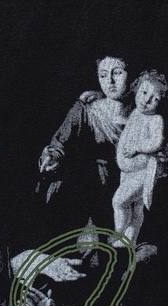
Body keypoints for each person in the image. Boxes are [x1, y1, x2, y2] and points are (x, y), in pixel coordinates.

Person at [37, 56, 131, 232]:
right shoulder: (86, 109)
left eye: (117, 73)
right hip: (93, 185)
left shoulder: (142, 112)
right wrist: (52, 157)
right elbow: (60, 142)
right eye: (103, 75)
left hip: (127, 185)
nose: (110, 81)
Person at [112, 70, 167, 246]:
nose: (146, 100)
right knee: (135, 207)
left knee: (119, 202)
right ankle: (130, 241)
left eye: (154, 99)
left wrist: (137, 147)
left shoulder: (156, 119)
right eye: (144, 92)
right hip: (127, 171)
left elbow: (157, 142)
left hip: (143, 171)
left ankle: (118, 234)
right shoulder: (135, 112)